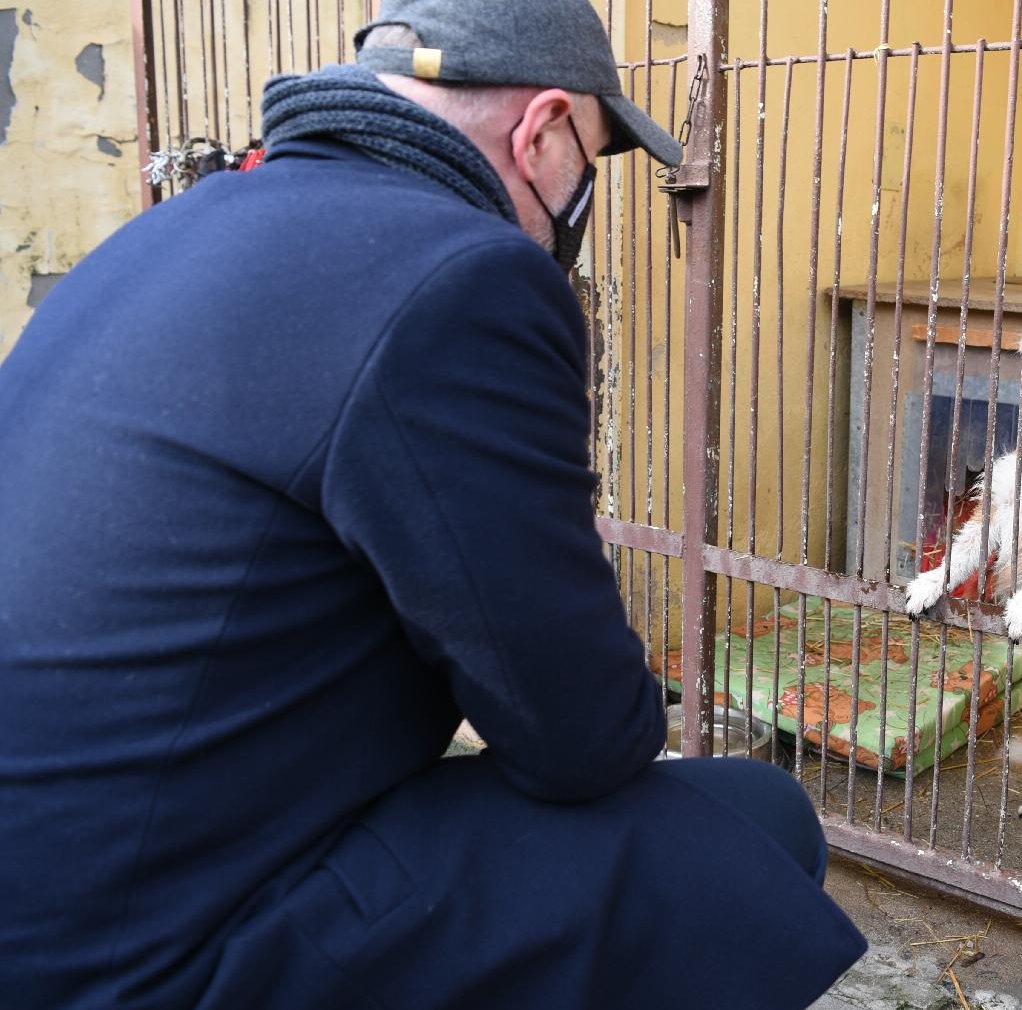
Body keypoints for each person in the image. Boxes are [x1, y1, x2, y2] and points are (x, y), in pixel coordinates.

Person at [0, 0, 866, 1006]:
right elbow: (576, 737)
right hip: (153, 958)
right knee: (752, 824)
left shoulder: (167, 231)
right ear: (541, 130)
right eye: (591, 160)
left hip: (55, 900)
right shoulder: (463, 276)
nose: (582, 196)